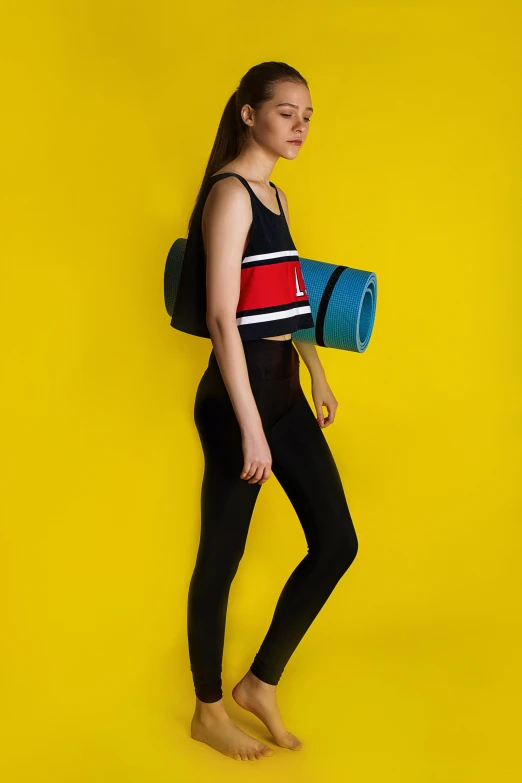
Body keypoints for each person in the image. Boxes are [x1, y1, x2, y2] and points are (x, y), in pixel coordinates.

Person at [183, 62, 358, 762]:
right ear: (250, 114)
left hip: (284, 394)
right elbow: (225, 320)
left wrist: (317, 372)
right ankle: (207, 708)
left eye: (308, 114)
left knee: (337, 543)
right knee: (221, 558)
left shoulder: (276, 196)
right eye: (287, 112)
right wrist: (252, 424)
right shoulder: (229, 195)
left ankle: (259, 682)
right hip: (237, 405)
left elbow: (289, 300)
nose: (300, 125)